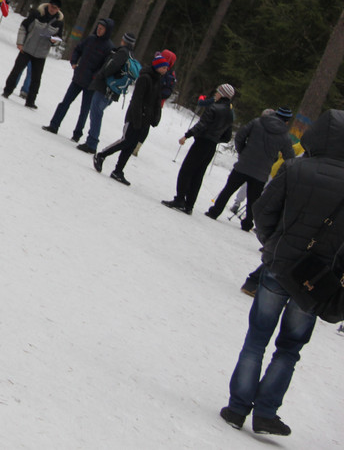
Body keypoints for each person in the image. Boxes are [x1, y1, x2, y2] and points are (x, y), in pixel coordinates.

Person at [220, 109, 344, 436]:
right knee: (290, 348)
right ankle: (265, 413)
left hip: (279, 266)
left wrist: (272, 243)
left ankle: (237, 407)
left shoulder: (295, 168)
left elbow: (263, 211)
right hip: (315, 279)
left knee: (257, 338)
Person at [92, 51, 170, 184]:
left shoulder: (158, 80)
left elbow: (157, 101)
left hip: (146, 119)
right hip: (135, 117)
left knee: (131, 145)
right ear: (157, 66)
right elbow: (137, 100)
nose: (165, 70)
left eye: (166, 68)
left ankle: (118, 170)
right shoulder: (145, 78)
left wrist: (156, 117)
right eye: (163, 67)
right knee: (126, 141)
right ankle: (101, 155)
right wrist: (138, 118)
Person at [162, 83, 235, 214]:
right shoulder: (230, 113)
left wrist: (187, 135)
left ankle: (180, 199)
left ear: (223, 94)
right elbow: (227, 137)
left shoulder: (214, 107)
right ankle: (189, 205)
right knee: (198, 175)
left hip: (201, 142)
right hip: (211, 146)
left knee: (186, 171)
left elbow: (202, 125)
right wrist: (215, 138)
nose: (215, 94)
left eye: (218, 92)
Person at [42, 18, 113, 138]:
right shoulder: (90, 39)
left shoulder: (109, 47)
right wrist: (74, 62)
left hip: (91, 84)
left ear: (107, 31)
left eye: (102, 29)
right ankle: (54, 125)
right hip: (78, 77)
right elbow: (78, 49)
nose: (99, 30)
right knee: (65, 102)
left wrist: (95, 76)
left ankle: (77, 134)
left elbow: (105, 67)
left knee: (84, 110)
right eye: (98, 27)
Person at [77, 32, 136, 154]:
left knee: (96, 113)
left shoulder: (122, 52)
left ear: (124, 40)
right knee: (97, 113)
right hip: (113, 90)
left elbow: (111, 67)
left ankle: (92, 143)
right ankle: (91, 141)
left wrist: (100, 75)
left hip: (106, 88)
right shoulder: (131, 55)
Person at [1, 0, 64, 109]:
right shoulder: (37, 13)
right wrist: (20, 43)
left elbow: (59, 38)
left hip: (41, 54)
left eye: (55, 8)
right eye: (51, 6)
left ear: (58, 9)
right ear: (48, 5)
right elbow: (23, 27)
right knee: (16, 70)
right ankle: (7, 91)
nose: (52, 9)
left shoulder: (59, 22)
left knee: (36, 78)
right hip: (27, 48)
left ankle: (30, 101)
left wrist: (54, 41)